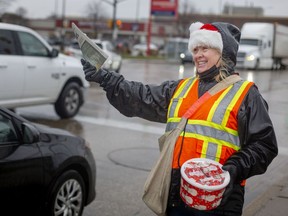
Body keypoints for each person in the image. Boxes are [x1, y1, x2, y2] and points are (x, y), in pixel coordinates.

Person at [81, 22, 278, 216]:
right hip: (177, 194)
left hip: (219, 201)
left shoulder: (246, 94)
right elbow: (142, 97)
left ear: (223, 53)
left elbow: (264, 146)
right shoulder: (180, 88)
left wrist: (234, 169)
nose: (198, 55)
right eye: (196, 49)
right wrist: (106, 78)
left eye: (206, 48)